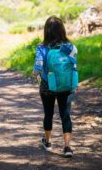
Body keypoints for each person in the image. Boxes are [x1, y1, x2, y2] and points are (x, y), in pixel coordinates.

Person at [33, 16, 78, 158]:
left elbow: (37, 69)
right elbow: (74, 65)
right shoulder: (70, 46)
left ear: (46, 30)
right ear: (62, 29)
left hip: (47, 85)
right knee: (65, 114)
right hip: (66, 84)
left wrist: (38, 79)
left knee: (48, 114)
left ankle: (47, 142)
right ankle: (67, 147)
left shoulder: (41, 47)